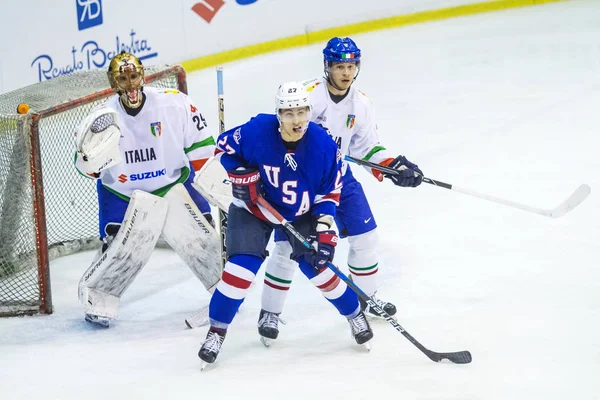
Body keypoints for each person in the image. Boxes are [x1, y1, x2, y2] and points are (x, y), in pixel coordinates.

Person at [257, 37, 424, 343]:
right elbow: (280, 127)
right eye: (339, 66)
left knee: (366, 237)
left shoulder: (361, 104)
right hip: (300, 181)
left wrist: (393, 166)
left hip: (340, 178)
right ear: (327, 67)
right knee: (285, 248)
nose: (346, 73)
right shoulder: (307, 95)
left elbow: (365, 147)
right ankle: (270, 311)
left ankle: (368, 298)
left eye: (351, 66)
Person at [197, 81, 374, 367]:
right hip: (254, 209)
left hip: (300, 214)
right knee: (240, 270)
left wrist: (325, 235)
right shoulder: (256, 131)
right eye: (289, 113)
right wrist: (241, 175)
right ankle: (216, 331)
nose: (297, 120)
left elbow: (328, 194)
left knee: (319, 268)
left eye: (302, 112)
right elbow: (222, 150)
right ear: (278, 114)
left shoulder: (323, 145)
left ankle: (355, 314)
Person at [74, 51, 221, 327]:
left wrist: (213, 187)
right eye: (122, 78)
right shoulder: (101, 118)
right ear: (113, 83)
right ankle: (99, 298)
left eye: (133, 76)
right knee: (122, 251)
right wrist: (89, 158)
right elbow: (87, 169)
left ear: (142, 76)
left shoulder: (175, 105)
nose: (130, 84)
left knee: (202, 241)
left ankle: (227, 291)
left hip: (173, 183)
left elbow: (201, 148)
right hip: (123, 192)